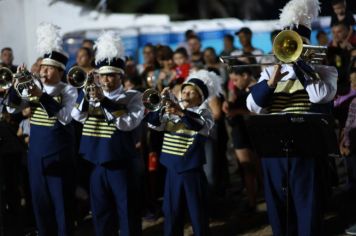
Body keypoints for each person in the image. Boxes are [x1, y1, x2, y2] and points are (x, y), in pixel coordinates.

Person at [246, 0, 338, 235]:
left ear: (309, 44)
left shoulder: (325, 71)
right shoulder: (269, 72)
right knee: (278, 208)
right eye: (289, 44)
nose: (294, 48)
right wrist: (270, 83)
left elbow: (318, 96)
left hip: (307, 148)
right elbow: (253, 106)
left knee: (308, 206)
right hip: (274, 150)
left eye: (299, 44)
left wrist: (301, 68)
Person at [5, 23, 78, 236]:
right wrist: (15, 87)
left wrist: (40, 95)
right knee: (40, 206)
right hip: (35, 157)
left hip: (59, 157)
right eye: (41, 67)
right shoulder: (34, 85)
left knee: (62, 206)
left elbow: (64, 117)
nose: (42, 71)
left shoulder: (69, 90)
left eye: (48, 68)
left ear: (59, 70)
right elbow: (11, 107)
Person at [71, 31, 144, 236]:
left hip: (121, 164)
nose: (105, 79)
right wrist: (87, 94)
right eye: (102, 75)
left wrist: (103, 100)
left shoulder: (132, 97)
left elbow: (127, 123)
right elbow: (76, 116)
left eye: (111, 75)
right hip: (95, 164)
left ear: (121, 75)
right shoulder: (91, 95)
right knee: (101, 215)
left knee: (127, 212)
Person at [145, 69, 218, 236]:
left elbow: (199, 126)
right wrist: (161, 105)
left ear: (201, 98)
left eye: (192, 92)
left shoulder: (204, 113)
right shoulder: (171, 111)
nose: (186, 94)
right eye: (184, 91)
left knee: (197, 212)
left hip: (192, 170)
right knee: (171, 212)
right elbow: (152, 124)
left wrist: (180, 111)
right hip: (171, 170)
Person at [223, 65, 259, 212]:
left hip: (255, 133)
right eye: (232, 81)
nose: (235, 83)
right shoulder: (236, 92)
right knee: (246, 168)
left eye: (236, 80)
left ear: (245, 75)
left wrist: (238, 111)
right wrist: (228, 105)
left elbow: (260, 112)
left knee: (260, 169)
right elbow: (231, 113)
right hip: (240, 133)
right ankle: (252, 203)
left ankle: (271, 200)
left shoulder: (259, 88)